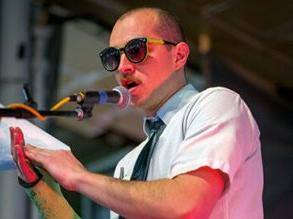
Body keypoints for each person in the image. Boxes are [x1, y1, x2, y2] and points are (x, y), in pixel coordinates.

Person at [11, 7, 263, 219]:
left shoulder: (216, 103)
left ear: (179, 56)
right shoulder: (127, 165)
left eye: (136, 50)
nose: (122, 67)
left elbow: (187, 205)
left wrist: (79, 176)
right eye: (112, 57)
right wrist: (39, 187)